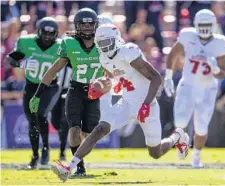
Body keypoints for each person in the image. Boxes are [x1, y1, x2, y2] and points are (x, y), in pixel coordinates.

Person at [50, 24, 190, 182]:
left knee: (155, 153)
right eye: (100, 43)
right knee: (100, 129)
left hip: (147, 104)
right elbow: (115, 81)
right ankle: (70, 167)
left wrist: (146, 105)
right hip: (126, 102)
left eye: (106, 42)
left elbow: (156, 78)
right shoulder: (103, 58)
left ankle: (177, 137)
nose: (104, 46)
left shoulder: (127, 52)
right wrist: (103, 85)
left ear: (116, 39)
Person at [29, 8, 103, 177]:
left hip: (95, 93)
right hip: (76, 90)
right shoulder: (69, 43)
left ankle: (77, 159)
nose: (86, 27)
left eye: (90, 23)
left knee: (90, 132)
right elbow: (54, 69)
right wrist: (37, 94)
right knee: (74, 129)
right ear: (77, 26)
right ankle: (80, 167)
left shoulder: (103, 43)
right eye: (82, 24)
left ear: (96, 25)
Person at [163, 9, 225, 168]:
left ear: (214, 25)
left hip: (207, 88)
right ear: (196, 25)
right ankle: (184, 142)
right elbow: (173, 54)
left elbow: (223, 72)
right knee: (179, 121)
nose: (205, 28)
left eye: (208, 25)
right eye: (202, 25)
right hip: (188, 84)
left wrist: (215, 70)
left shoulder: (221, 43)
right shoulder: (188, 36)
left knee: (201, 126)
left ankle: (196, 156)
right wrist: (168, 77)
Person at [6, 17, 61, 169]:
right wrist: (21, 63)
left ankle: (45, 149)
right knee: (32, 122)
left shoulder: (60, 46)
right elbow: (9, 60)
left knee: (41, 114)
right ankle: (35, 156)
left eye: (52, 33)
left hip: (50, 86)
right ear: (38, 31)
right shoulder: (26, 42)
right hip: (31, 86)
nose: (48, 37)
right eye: (45, 33)